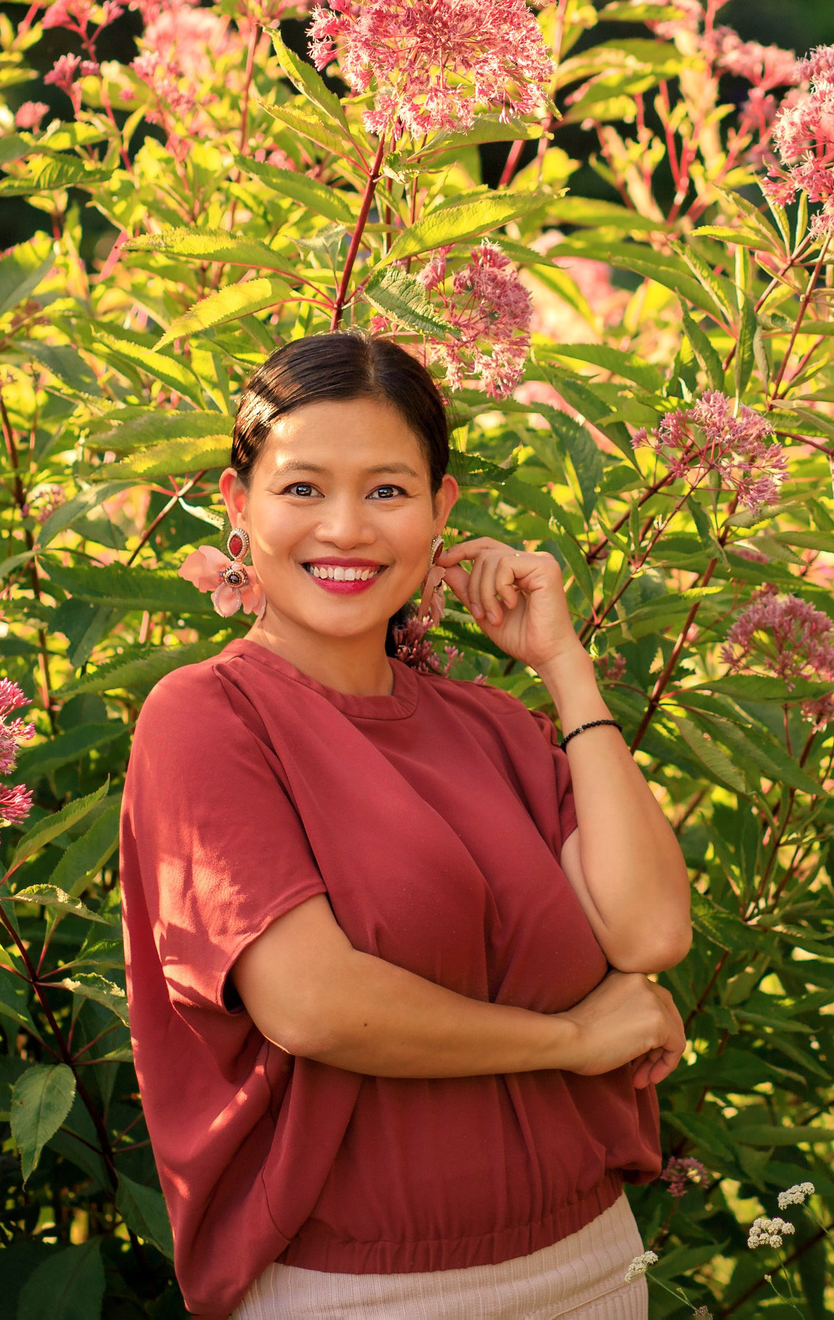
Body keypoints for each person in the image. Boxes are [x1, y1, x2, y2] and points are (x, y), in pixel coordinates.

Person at [120, 332, 694, 1318]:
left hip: (593, 1265)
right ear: (236, 504)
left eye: (387, 491)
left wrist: (562, 665)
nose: (344, 528)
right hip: (359, 1293)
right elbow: (314, 1005)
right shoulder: (205, 718)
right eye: (302, 488)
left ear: (441, 513)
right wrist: (569, 1039)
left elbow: (648, 932)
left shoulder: (493, 727)